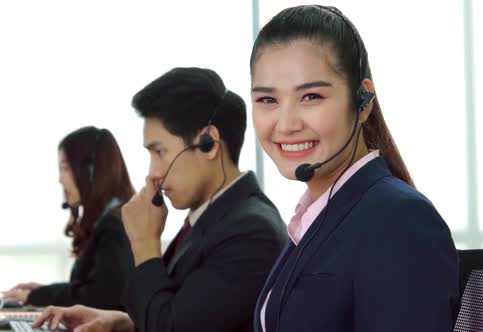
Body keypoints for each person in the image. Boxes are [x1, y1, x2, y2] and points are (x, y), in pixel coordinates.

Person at [249, 5, 459, 331]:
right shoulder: (315, 217)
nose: (286, 124)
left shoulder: (398, 220)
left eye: (311, 96)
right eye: (267, 100)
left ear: (363, 102)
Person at [34, 67, 288, 332]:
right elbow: (183, 314)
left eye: (160, 152)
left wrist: (144, 243)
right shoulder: (213, 217)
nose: (153, 172)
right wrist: (123, 323)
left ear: (209, 143)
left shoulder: (251, 232)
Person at [3, 126, 135, 310]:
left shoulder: (115, 226)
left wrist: (38, 296)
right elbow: (93, 288)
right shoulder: (109, 220)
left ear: (91, 172)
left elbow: (100, 298)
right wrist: (45, 291)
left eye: (65, 168)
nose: (60, 179)